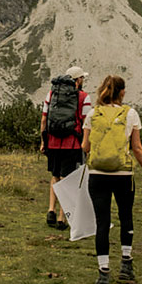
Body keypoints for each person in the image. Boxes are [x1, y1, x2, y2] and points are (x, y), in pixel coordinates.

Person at [83, 74, 142, 284]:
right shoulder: (130, 114)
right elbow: (137, 148)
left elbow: (85, 147)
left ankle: (103, 272)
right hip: (123, 175)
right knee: (126, 217)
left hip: (97, 175)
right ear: (122, 92)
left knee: (102, 222)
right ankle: (126, 264)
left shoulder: (92, 114)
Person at [39, 66, 92, 230]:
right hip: (72, 143)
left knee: (55, 175)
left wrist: (43, 141)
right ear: (77, 80)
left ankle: (50, 210)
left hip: (53, 142)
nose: (83, 80)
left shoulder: (51, 94)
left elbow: (44, 120)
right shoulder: (84, 97)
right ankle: (62, 218)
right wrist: (86, 145)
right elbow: (86, 124)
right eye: (82, 78)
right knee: (67, 180)